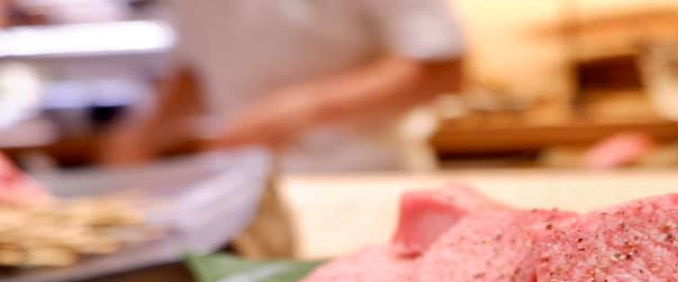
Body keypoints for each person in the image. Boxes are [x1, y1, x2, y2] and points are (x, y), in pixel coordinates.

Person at [102, 0, 465, 171]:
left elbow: (440, 67)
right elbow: (195, 69)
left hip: (356, 173)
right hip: (242, 183)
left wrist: (299, 109)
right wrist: (139, 138)